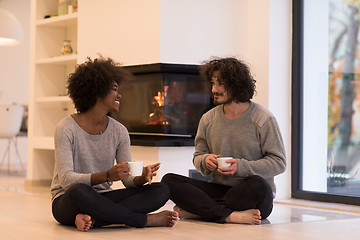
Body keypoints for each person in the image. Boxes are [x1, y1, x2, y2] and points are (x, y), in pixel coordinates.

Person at [50, 56, 178, 232]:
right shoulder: (66, 128)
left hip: (103, 198)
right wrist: (108, 176)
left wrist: (140, 178)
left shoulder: (119, 131)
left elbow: (128, 181)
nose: (120, 95)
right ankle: (143, 220)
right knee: (79, 191)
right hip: (69, 200)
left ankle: (95, 220)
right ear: (97, 91)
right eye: (115, 89)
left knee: (161, 190)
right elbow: (66, 181)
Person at [161, 57, 286, 225]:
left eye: (220, 84)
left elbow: (279, 162)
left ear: (236, 84)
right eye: (212, 83)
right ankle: (229, 215)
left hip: (251, 194)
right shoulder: (208, 119)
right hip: (221, 191)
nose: (214, 89)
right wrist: (206, 160)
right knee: (169, 181)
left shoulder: (263, 118)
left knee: (258, 184)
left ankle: (201, 212)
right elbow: (198, 156)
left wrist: (241, 167)